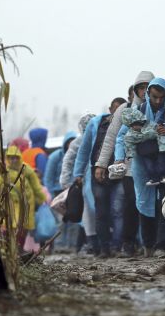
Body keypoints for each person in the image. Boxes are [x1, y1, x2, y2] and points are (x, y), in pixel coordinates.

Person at [114, 77, 165, 258]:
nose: (158, 101)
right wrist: (120, 158)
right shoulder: (135, 112)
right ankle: (148, 244)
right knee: (144, 203)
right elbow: (121, 137)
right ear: (148, 94)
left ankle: (161, 245)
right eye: (154, 97)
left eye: (161, 97)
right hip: (143, 165)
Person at [94, 71, 155, 257]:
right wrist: (101, 164)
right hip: (129, 167)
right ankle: (129, 243)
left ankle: (151, 244)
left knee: (151, 205)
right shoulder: (124, 109)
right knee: (130, 204)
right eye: (141, 87)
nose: (144, 91)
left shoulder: (160, 108)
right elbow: (111, 137)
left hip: (152, 166)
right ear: (135, 89)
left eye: (148, 87)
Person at [73, 98, 128, 257]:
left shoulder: (126, 126)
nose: (117, 113)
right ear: (110, 109)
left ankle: (116, 246)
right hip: (98, 173)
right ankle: (104, 248)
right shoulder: (96, 124)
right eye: (115, 110)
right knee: (101, 211)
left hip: (118, 173)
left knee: (117, 210)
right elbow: (84, 149)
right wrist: (78, 173)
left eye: (121, 111)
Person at [0, 146, 47, 250]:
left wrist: (43, 199)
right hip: (10, 204)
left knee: (23, 229)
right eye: (11, 158)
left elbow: (36, 186)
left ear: (19, 157)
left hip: (26, 204)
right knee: (9, 226)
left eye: (16, 157)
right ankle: (9, 250)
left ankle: (19, 250)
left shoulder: (26, 169)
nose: (14, 160)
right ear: (7, 158)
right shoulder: (4, 171)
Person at [60, 114, 96, 254]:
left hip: (100, 180)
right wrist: (67, 182)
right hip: (84, 182)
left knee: (98, 213)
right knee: (87, 214)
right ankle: (91, 243)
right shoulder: (79, 141)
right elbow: (68, 160)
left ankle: (99, 243)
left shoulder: (102, 137)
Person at [121, 108, 165, 186]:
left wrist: (164, 147)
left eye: (137, 124)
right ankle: (154, 179)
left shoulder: (152, 125)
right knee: (149, 167)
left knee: (162, 164)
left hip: (158, 150)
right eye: (133, 125)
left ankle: (163, 176)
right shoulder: (130, 134)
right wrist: (130, 154)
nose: (136, 127)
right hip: (145, 153)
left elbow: (161, 135)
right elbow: (129, 143)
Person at [44, 131, 77, 198]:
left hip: (75, 190)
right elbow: (48, 178)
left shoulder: (80, 156)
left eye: (74, 142)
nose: (71, 144)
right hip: (58, 191)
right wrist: (51, 196)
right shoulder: (55, 157)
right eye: (69, 142)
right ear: (65, 143)